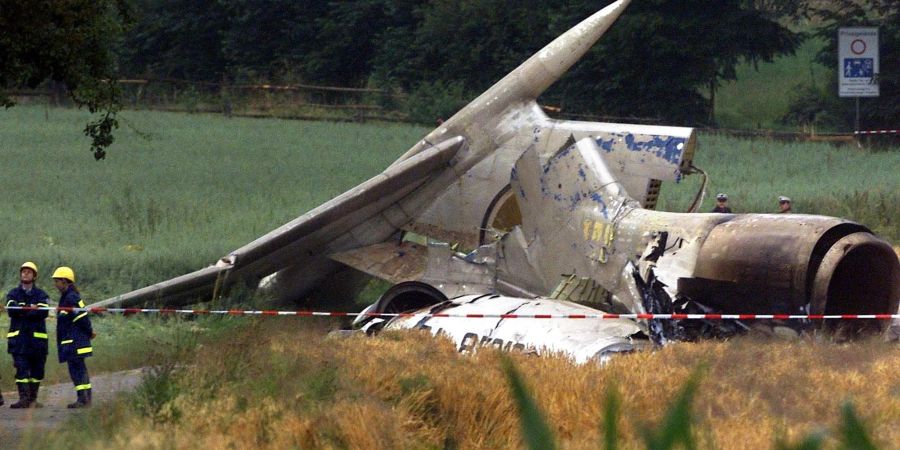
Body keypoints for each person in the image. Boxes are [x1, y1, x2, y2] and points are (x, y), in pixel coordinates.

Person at [5, 262, 50, 408]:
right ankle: (23, 399)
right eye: (23, 271)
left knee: (37, 370)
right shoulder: (13, 293)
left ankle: (33, 399)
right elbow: (12, 310)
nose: (25, 274)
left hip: (37, 341)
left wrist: (23, 310)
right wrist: (32, 308)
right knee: (21, 369)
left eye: (29, 272)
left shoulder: (41, 294)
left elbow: (44, 312)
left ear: (34, 276)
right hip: (19, 340)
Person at [52, 266, 94, 408]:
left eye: (57, 281)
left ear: (64, 281)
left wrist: (89, 332)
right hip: (74, 342)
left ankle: (84, 399)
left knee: (77, 370)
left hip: (76, 342)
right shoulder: (67, 297)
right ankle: (84, 398)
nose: (55, 284)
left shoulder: (71, 298)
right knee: (78, 369)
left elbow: (82, 318)